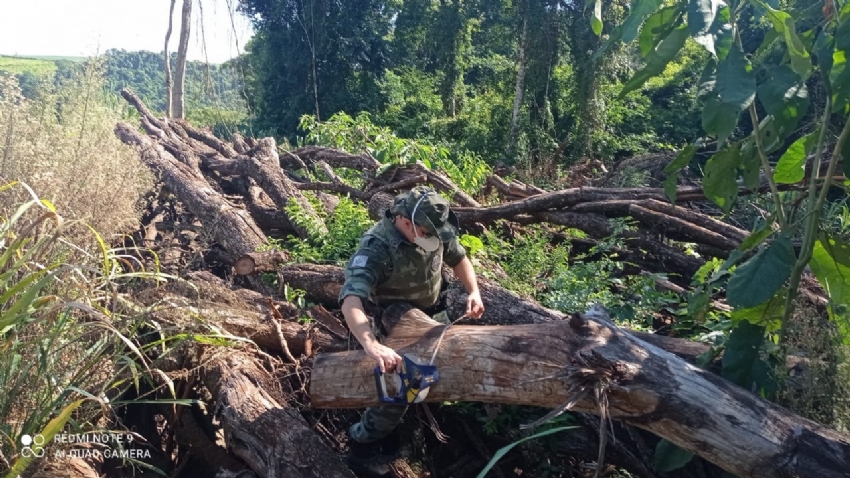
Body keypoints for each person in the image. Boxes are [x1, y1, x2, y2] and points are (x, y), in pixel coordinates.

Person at [338, 186, 485, 473]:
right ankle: (363, 445)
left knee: (439, 374)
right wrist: (371, 344)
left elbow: (459, 258)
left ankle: (432, 426)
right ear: (406, 222)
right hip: (395, 327)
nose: (432, 239)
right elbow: (351, 299)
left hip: (432, 318)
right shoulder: (377, 247)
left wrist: (474, 291)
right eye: (425, 233)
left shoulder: (434, 226)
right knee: (398, 395)